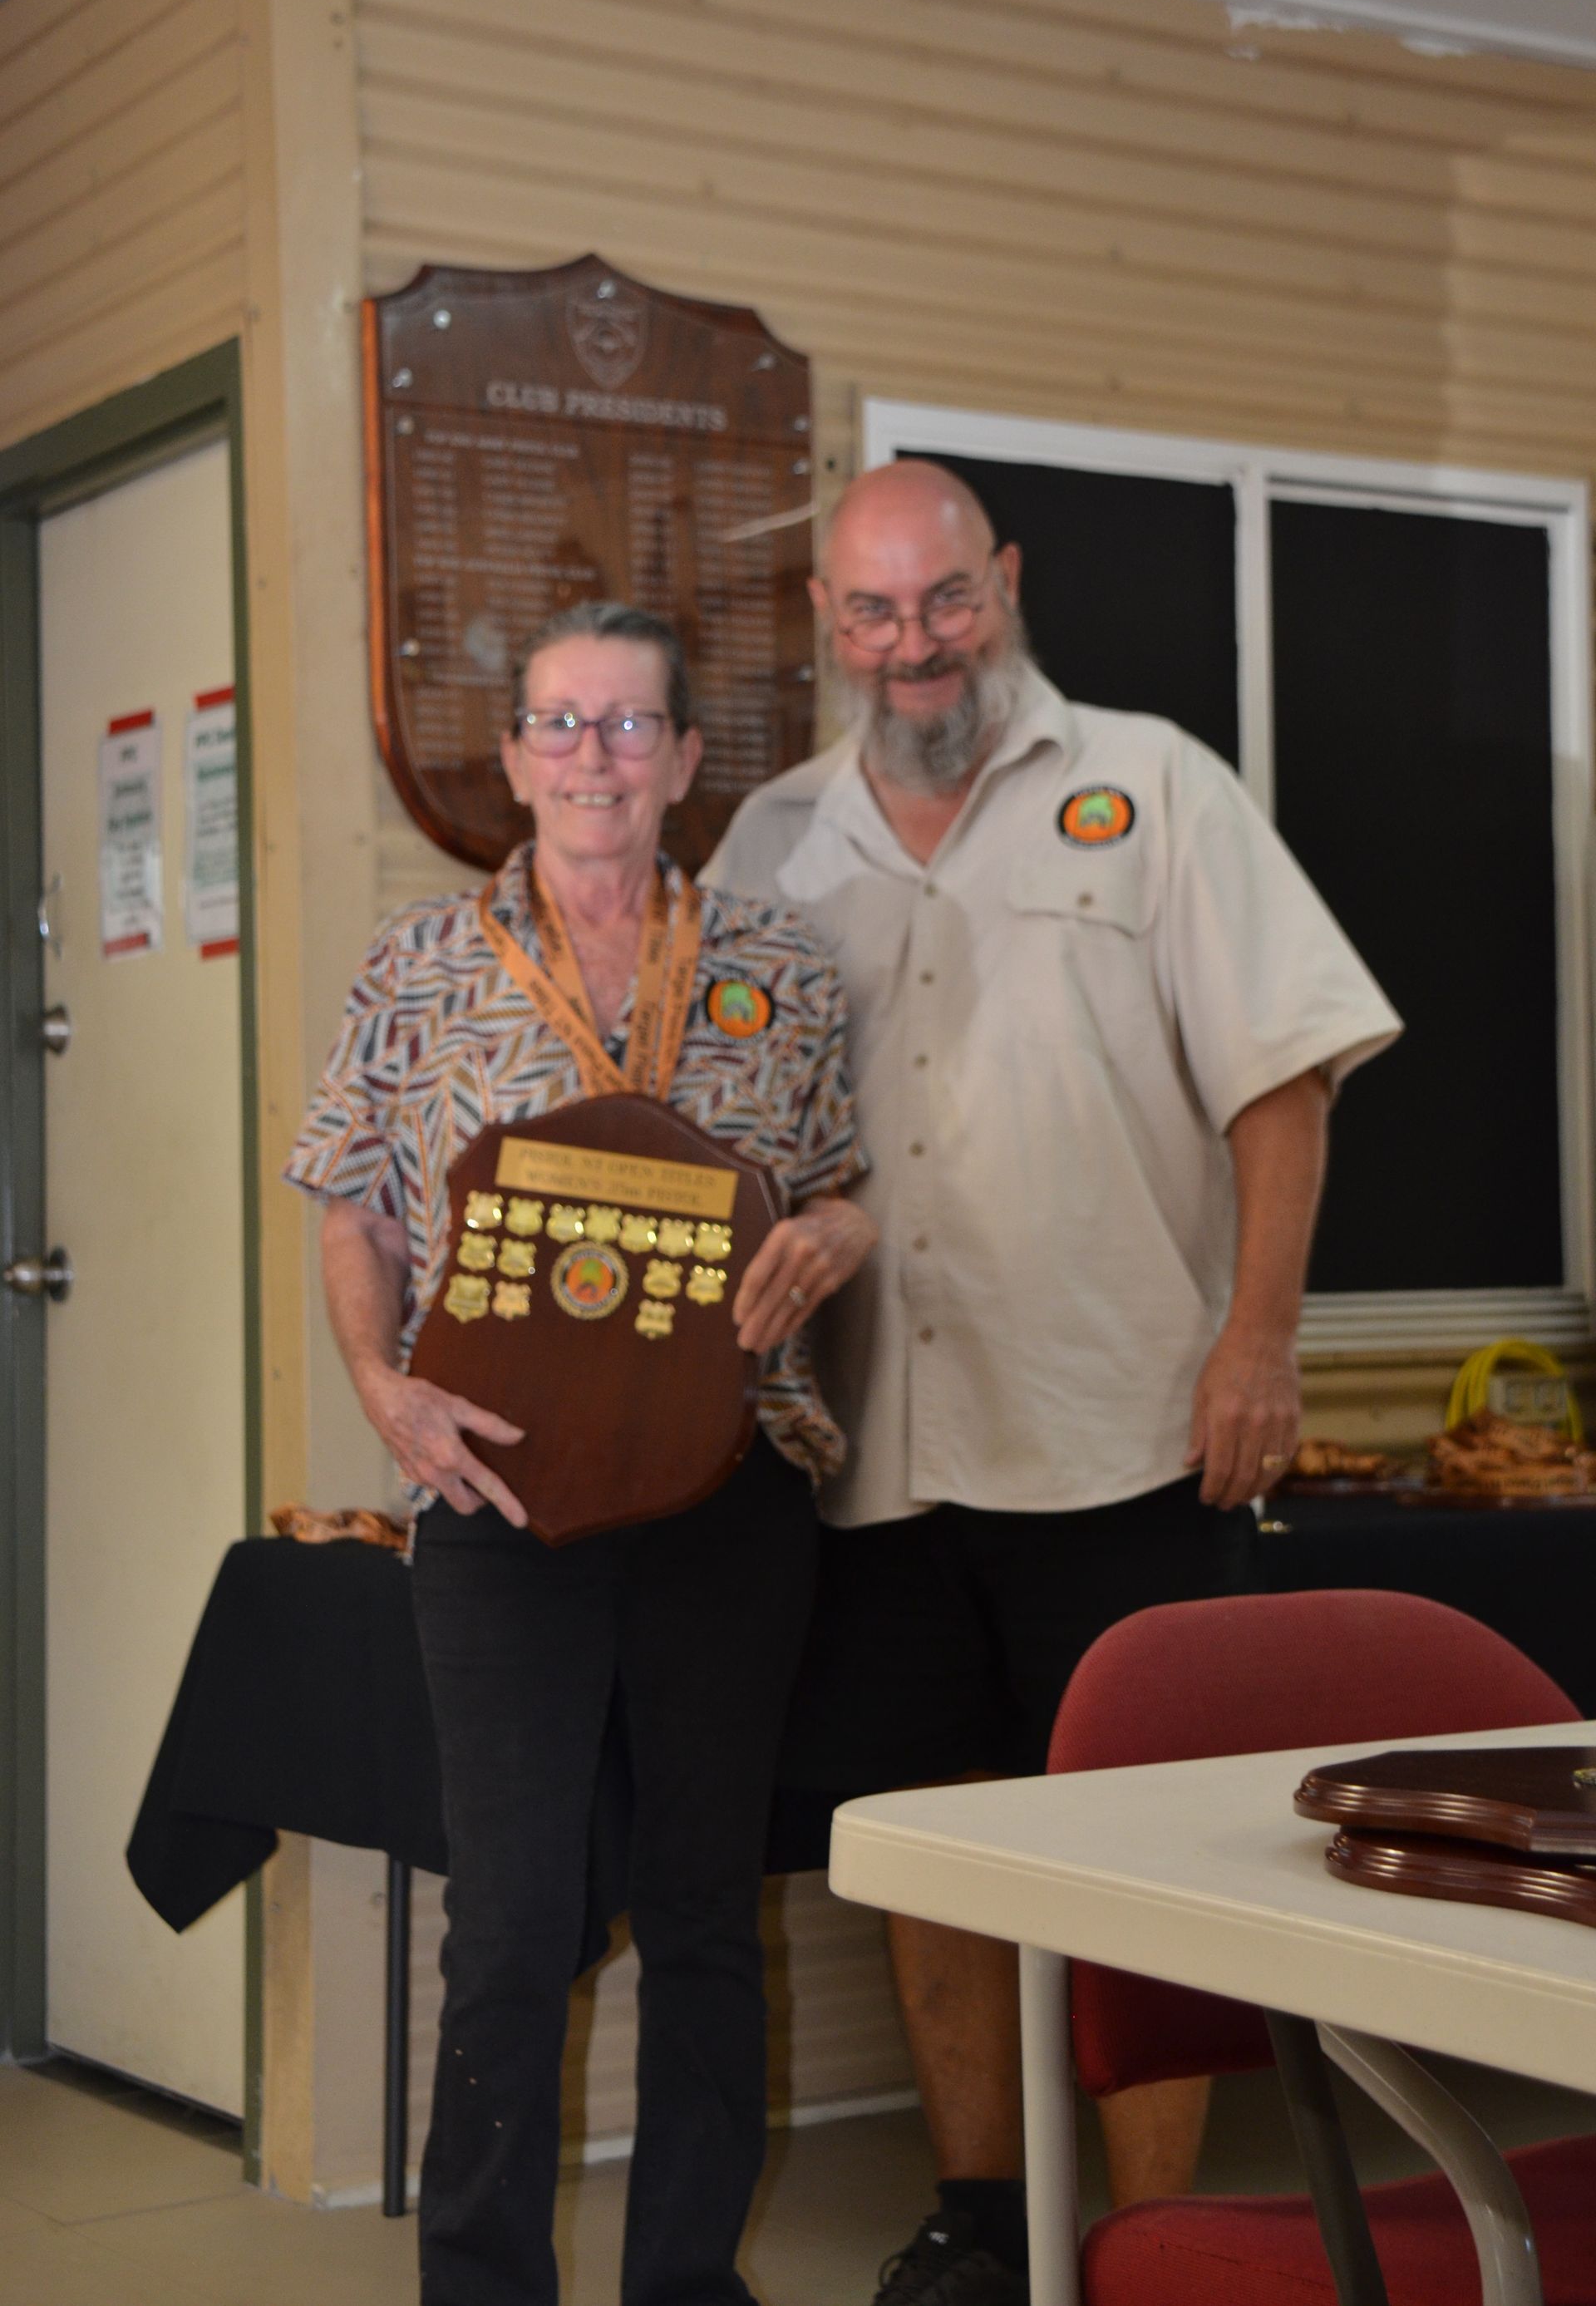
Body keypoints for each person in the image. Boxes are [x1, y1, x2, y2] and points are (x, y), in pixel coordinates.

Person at [707, 461, 1402, 2305]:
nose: (912, 645)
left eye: (943, 600)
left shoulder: (1155, 783)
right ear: (831, 626)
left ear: (1001, 583)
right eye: (871, 611)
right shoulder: (770, 841)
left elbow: (1287, 1079)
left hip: (1123, 1426)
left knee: (1139, 1867)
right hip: (877, 1451)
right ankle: (982, 2220)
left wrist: (1259, 1334)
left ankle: (1138, 2237)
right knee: (935, 1844)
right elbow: (709, 1127)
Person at [286, 600, 874, 2306]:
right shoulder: (419, 964)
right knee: (515, 1926)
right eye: (561, 723)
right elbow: (343, 1196)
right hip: (499, 1497)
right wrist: (380, 1387)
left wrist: (833, 1240)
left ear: (687, 759)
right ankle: (484, 2286)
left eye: (630, 728)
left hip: (729, 1493)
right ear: (513, 756)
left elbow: (834, 1185)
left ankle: (687, 2283)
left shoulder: (782, 961)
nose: (593, 758)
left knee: (704, 1909)